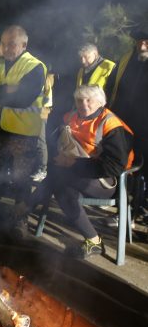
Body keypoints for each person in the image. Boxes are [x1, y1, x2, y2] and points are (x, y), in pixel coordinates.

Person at [21, 85, 134, 258]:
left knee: (57, 176)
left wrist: (72, 163)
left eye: (89, 100)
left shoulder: (111, 124)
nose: (84, 104)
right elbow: (55, 143)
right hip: (73, 174)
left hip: (107, 182)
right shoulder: (71, 117)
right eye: (79, 100)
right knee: (61, 188)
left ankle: (22, 211)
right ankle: (94, 241)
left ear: (101, 102)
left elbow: (115, 166)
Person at [0, 25, 46, 216]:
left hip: (23, 133)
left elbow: (24, 99)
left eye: (12, 44)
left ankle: (19, 221)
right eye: (4, 44)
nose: (7, 48)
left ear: (24, 45)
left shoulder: (34, 66)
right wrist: (10, 89)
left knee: (21, 181)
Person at [108, 30, 148, 212]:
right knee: (123, 163)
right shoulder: (126, 60)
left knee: (142, 169)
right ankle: (122, 207)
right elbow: (111, 86)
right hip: (123, 123)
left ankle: (137, 209)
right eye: (139, 42)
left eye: (146, 42)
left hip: (145, 126)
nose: (142, 46)